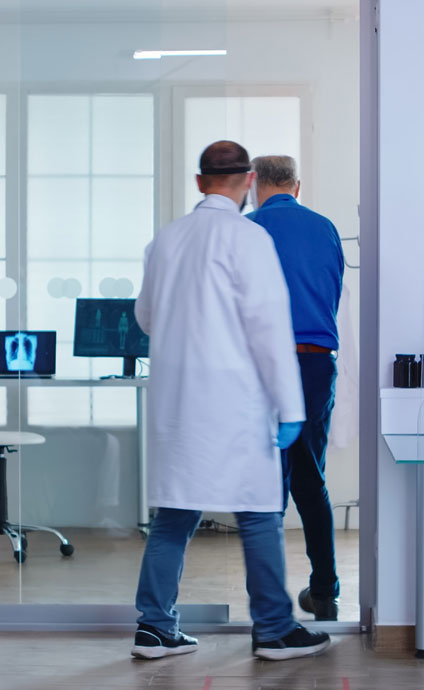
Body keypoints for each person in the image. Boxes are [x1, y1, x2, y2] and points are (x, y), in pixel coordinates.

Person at [131, 140, 331, 661]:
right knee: (258, 510)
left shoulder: (166, 239)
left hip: (177, 401)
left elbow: (146, 318)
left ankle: (154, 627)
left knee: (174, 513)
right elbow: (268, 328)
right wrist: (292, 408)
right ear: (248, 183)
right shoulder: (249, 238)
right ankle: (273, 629)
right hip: (235, 400)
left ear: (200, 182)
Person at [247, 155, 345, 621]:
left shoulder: (248, 229)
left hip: (262, 367)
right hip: (315, 365)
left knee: (267, 484)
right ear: (297, 186)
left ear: (254, 185)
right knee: (310, 477)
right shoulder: (325, 228)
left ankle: (270, 607)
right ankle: (324, 591)